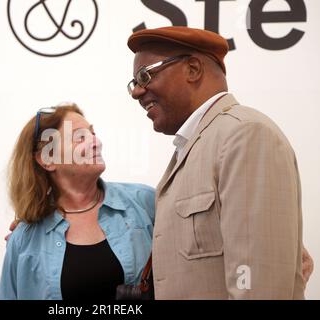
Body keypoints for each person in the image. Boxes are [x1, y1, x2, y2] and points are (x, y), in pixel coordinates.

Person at [127, 26, 310, 299]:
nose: (137, 92)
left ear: (192, 69)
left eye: (145, 76)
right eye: (134, 82)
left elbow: (258, 287)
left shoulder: (245, 135)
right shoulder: (198, 145)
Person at [0, 104, 155, 300]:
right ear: (48, 159)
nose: (96, 142)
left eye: (93, 133)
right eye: (80, 138)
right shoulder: (23, 239)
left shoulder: (146, 202)